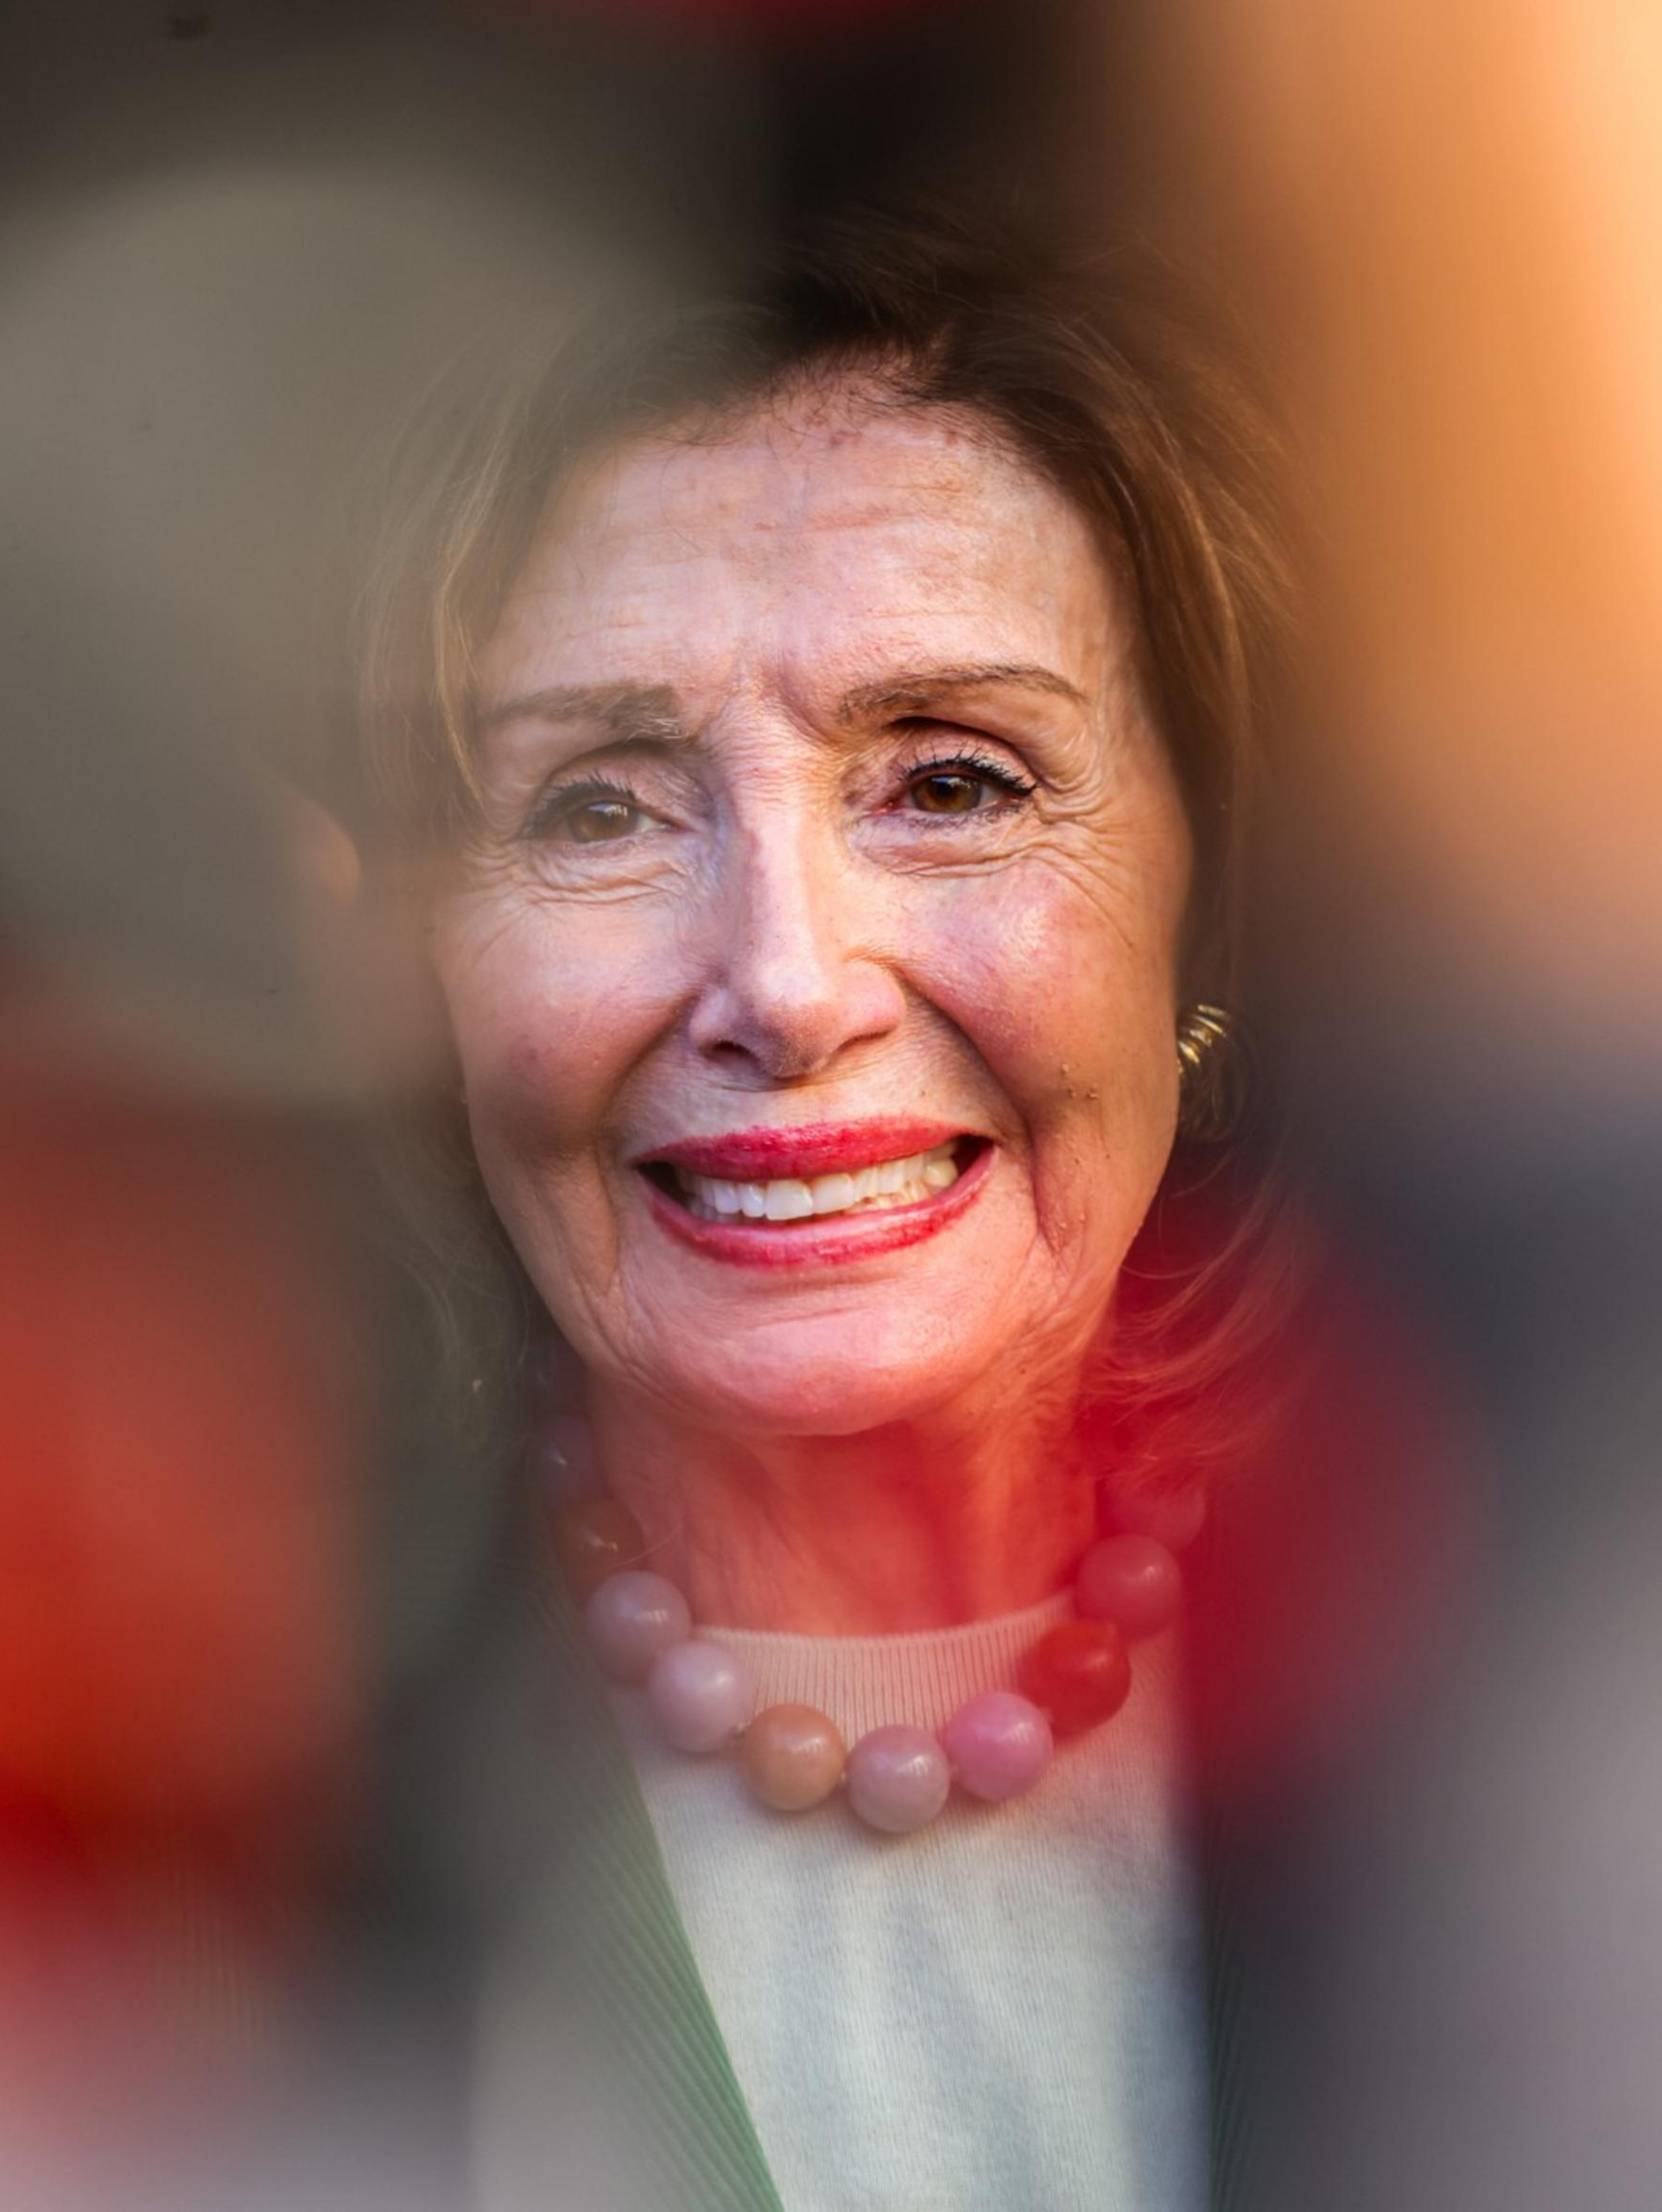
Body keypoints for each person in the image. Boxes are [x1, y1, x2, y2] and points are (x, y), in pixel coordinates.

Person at [338, 217, 1311, 2211]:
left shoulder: (1506, 1694)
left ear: (1203, 912)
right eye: (596, 805)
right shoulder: (259, 1773)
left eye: (951, 782)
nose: (786, 979)